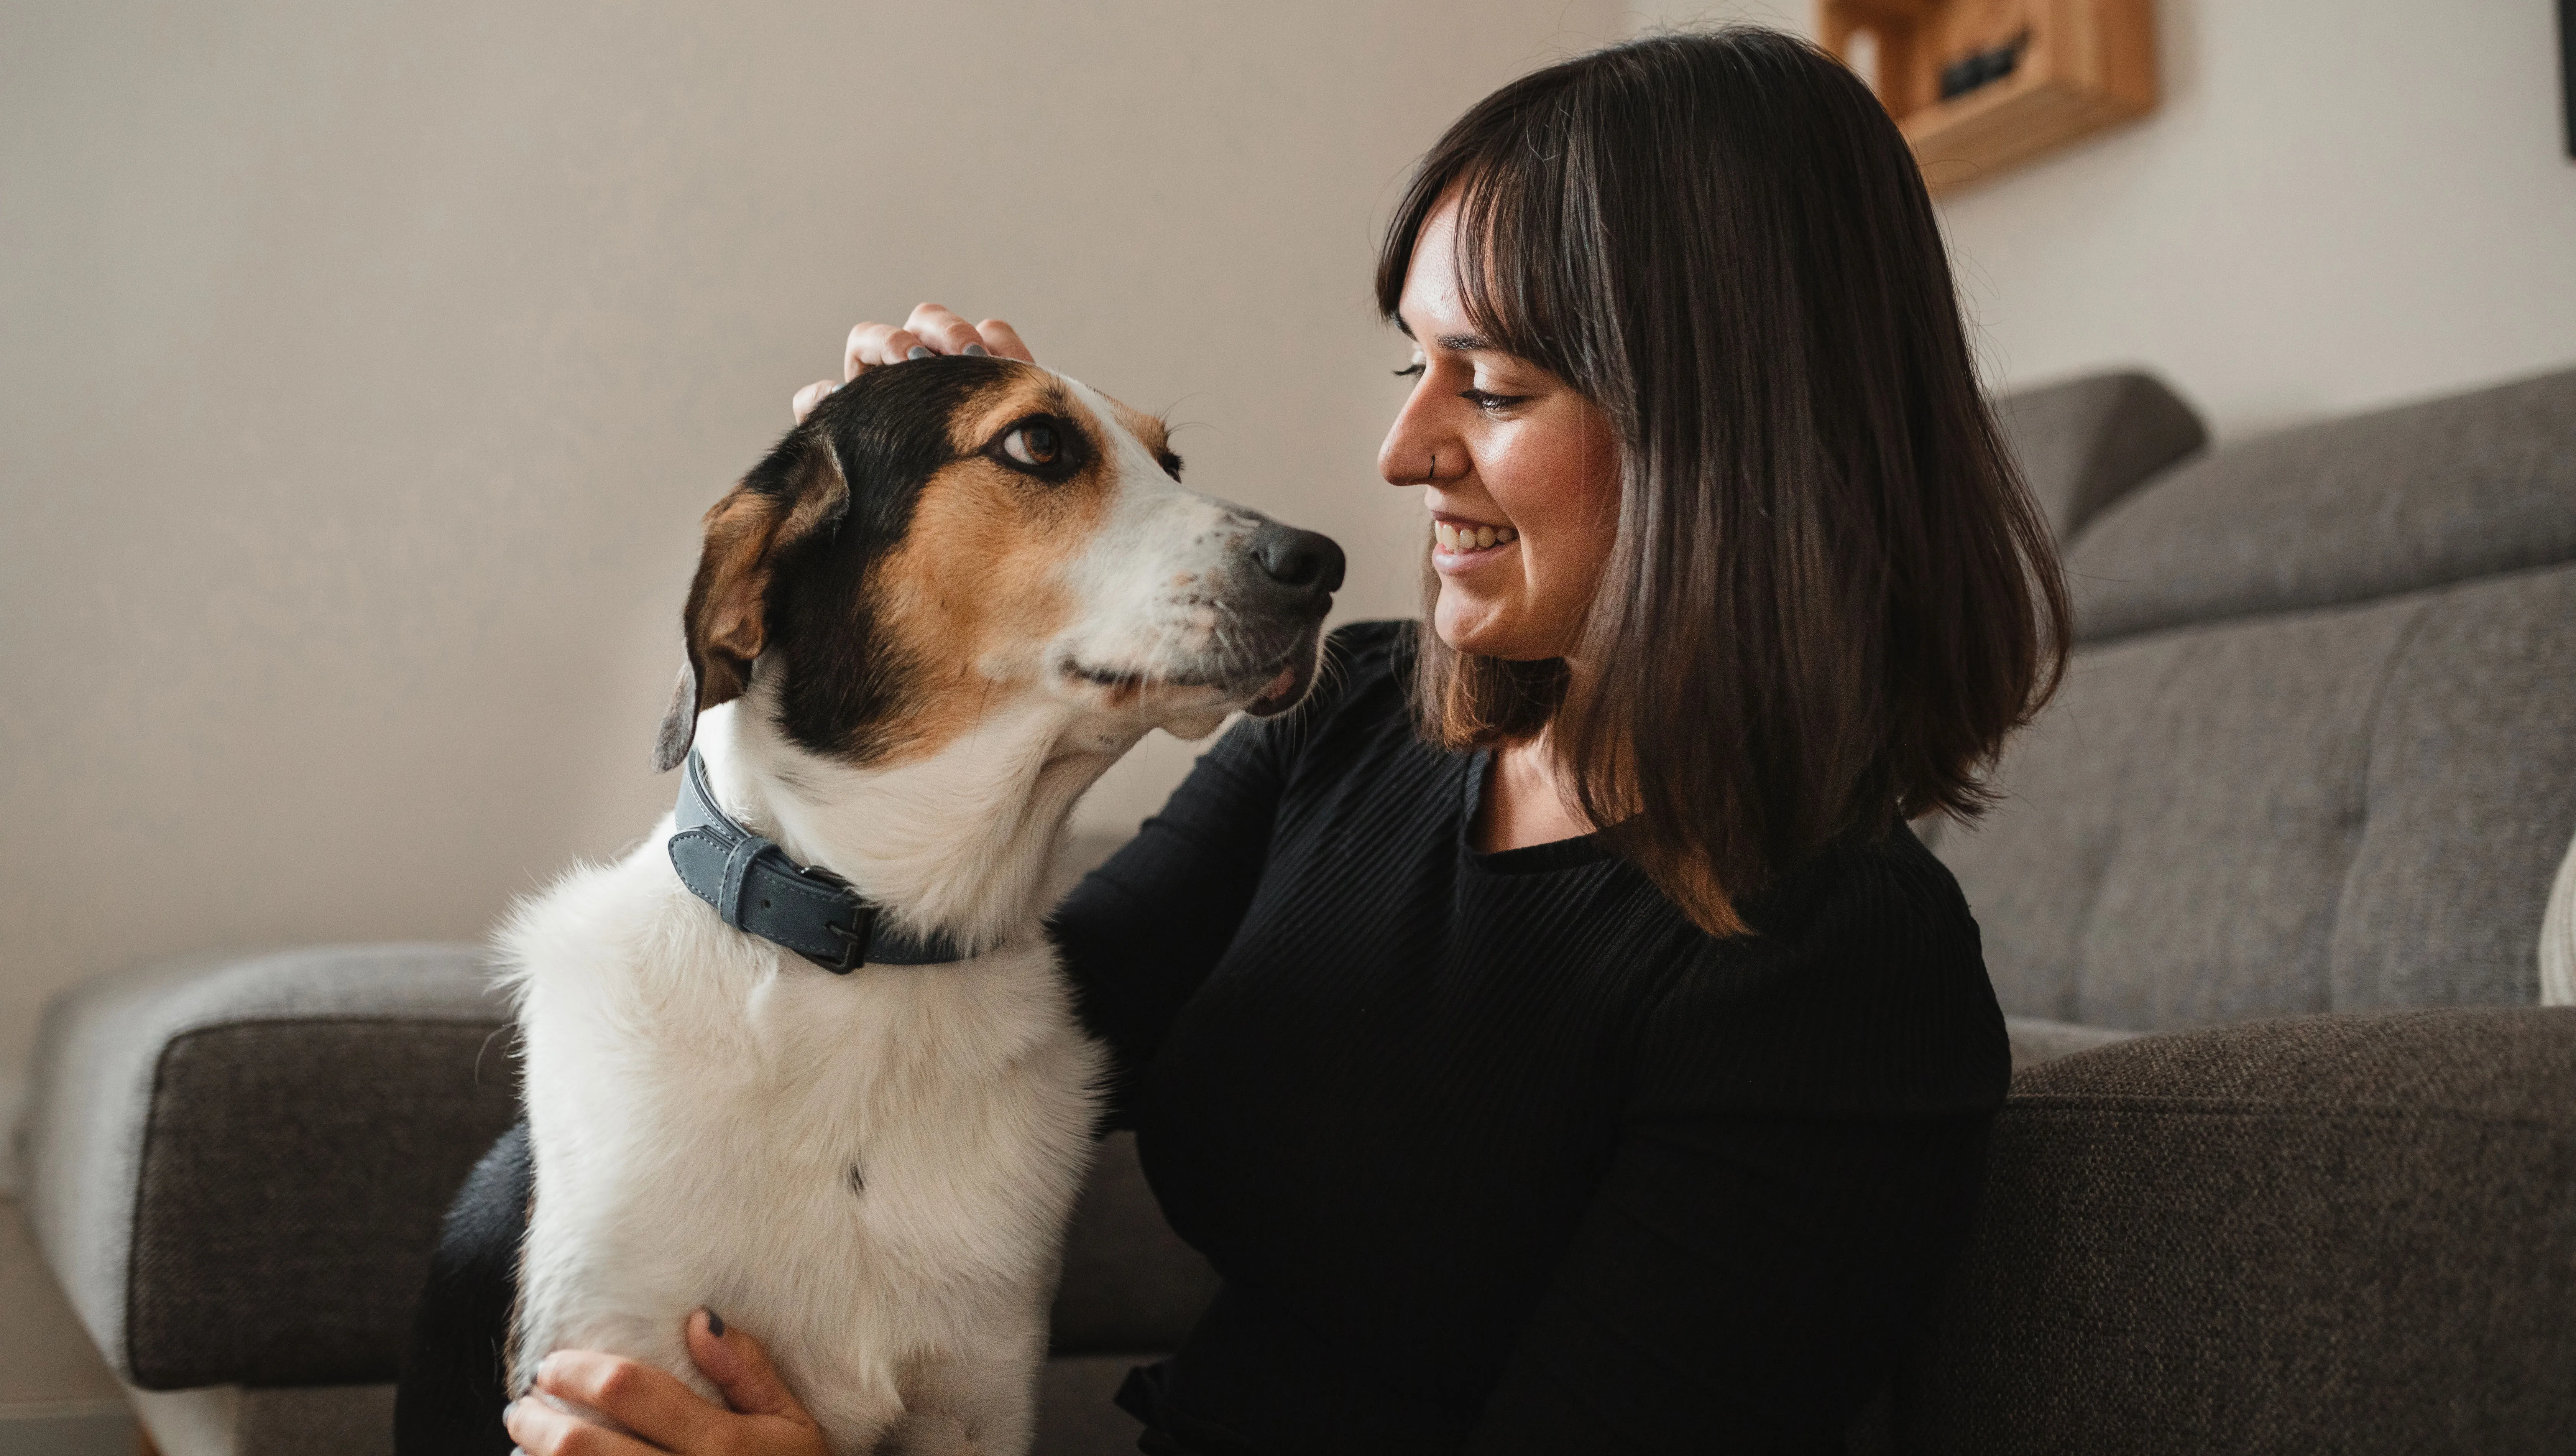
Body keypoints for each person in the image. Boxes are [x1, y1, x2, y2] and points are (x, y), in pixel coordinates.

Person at [501, 25, 2069, 1456]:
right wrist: (926, 510)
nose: (1401, 452)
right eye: (1413, 366)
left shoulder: (1844, 980)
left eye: (1495, 384)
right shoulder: (1361, 722)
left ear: (1733, 428)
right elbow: (993, 1027)